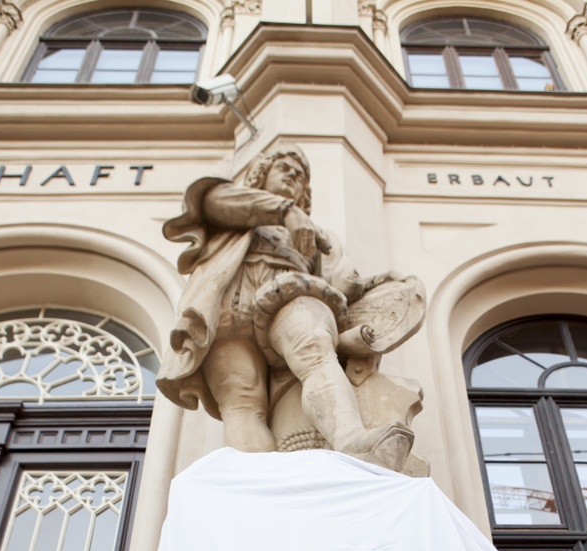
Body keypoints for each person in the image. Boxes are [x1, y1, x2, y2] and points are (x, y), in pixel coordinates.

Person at [156, 143, 413, 469]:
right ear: (262, 173)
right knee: (241, 399)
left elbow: (342, 281)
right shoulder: (235, 207)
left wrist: (373, 286)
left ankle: (351, 440)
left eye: (300, 176)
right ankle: (255, 484)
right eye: (285, 168)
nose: (293, 176)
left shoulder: (317, 234)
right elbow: (212, 200)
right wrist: (286, 210)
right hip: (229, 307)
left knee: (315, 349)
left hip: (289, 293)